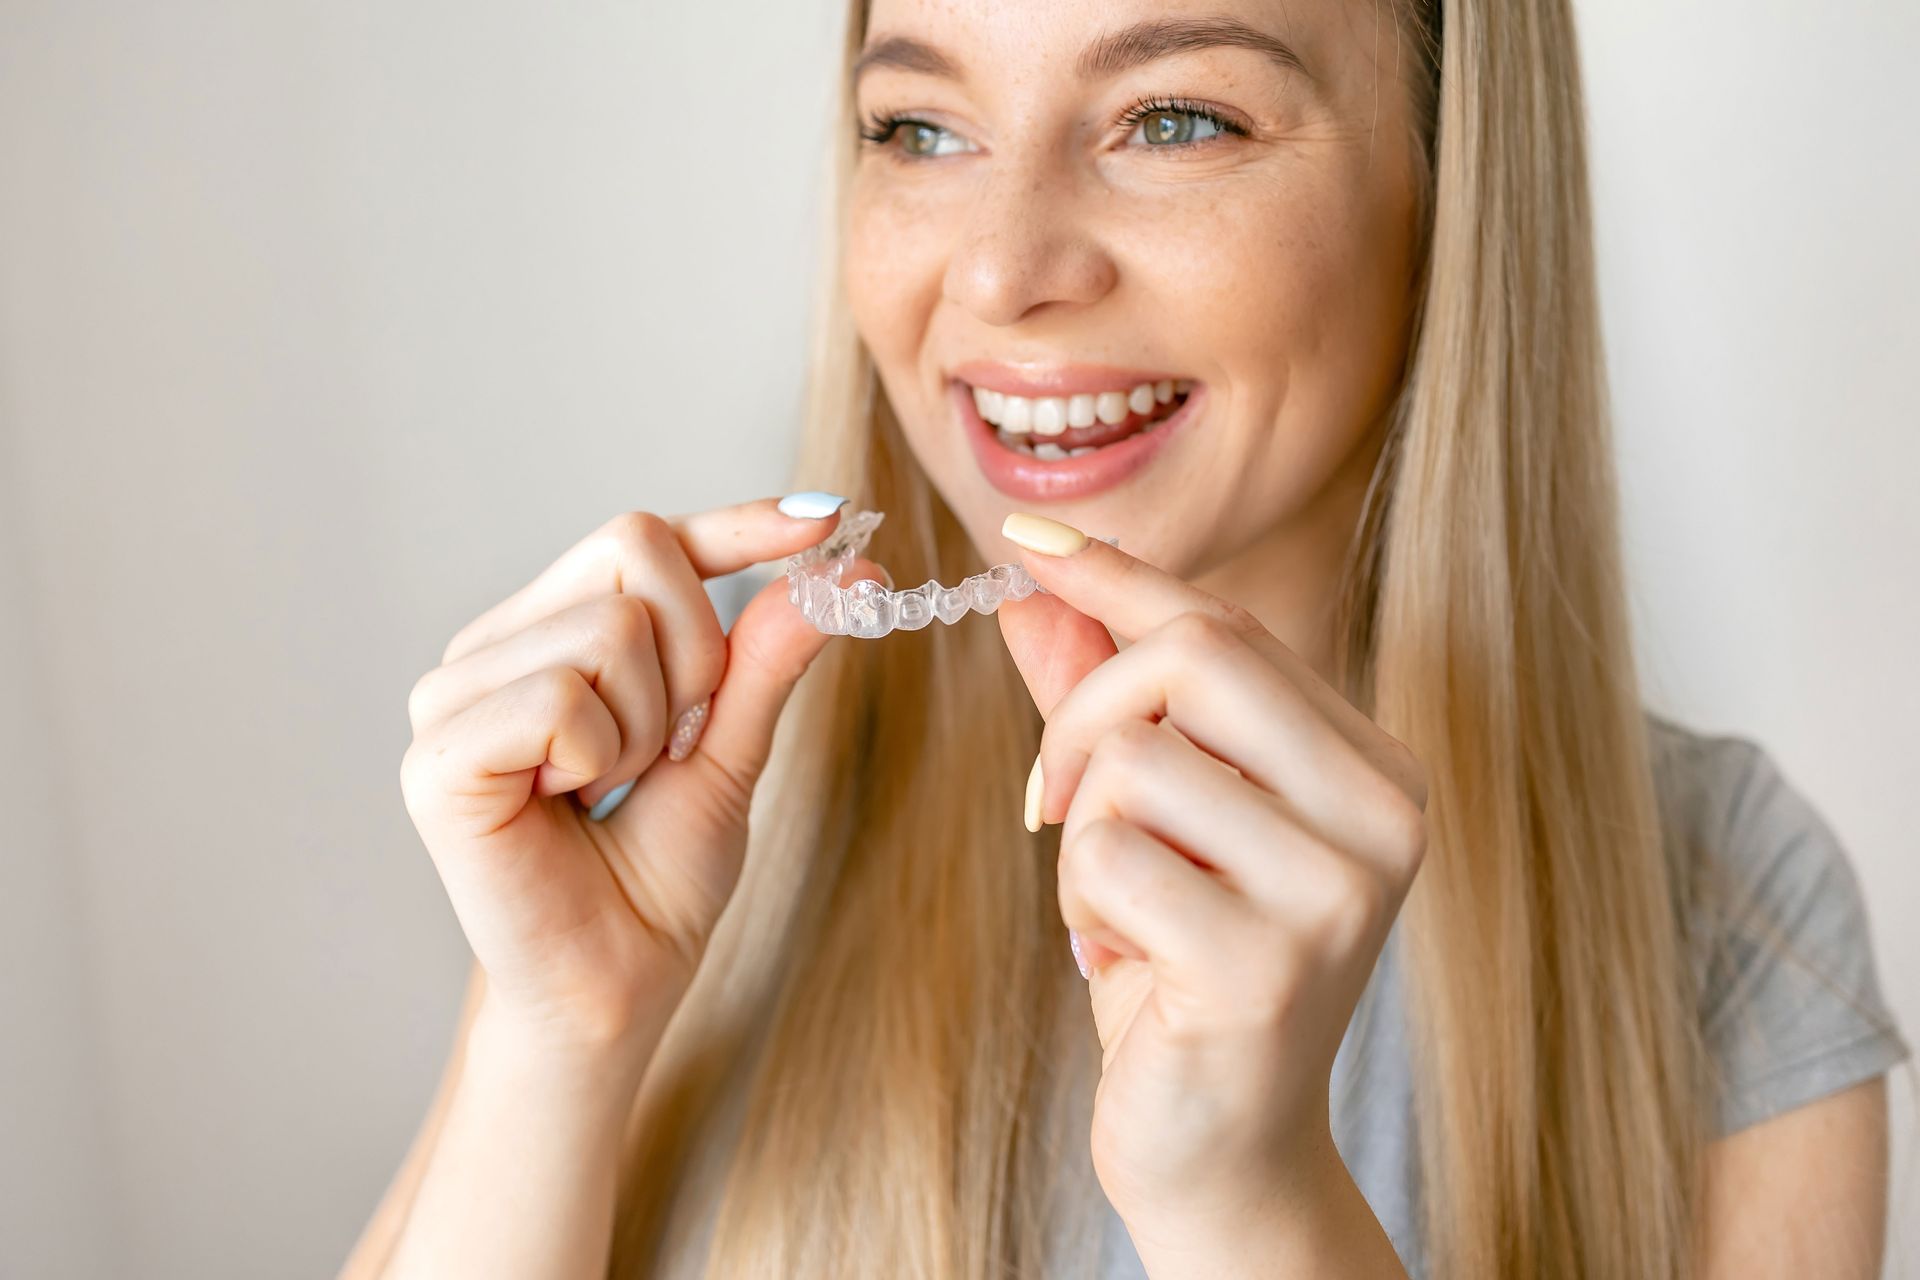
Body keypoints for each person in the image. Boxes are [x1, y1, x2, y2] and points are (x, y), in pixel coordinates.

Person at [341, 1, 1911, 1276]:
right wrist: (560, 1034)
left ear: (1452, 175)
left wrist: (1248, 1204)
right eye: (921, 126)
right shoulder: (684, 768)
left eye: (1175, 118)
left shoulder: (1723, 916)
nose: (1005, 271)